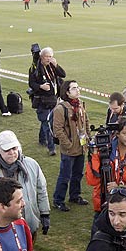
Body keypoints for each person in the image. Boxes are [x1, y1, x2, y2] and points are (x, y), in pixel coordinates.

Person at [0, 131, 50, 242]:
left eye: (14, 148)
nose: (12, 153)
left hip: (29, 224)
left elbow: (41, 189)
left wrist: (45, 213)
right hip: (2, 229)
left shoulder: (32, 165)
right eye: (7, 150)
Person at [87, 117, 126, 220]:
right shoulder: (104, 154)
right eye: (125, 133)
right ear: (118, 134)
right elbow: (92, 180)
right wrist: (95, 155)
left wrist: (119, 188)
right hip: (103, 203)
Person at [52, 80, 90, 212]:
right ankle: (58, 200)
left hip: (81, 147)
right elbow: (57, 129)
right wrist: (68, 144)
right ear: (67, 92)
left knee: (77, 174)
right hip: (69, 149)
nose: (78, 90)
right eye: (74, 88)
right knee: (65, 176)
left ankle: (75, 195)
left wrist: (88, 138)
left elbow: (85, 122)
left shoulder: (80, 104)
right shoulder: (60, 109)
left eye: (78, 87)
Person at [28, 47, 66, 156]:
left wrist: (56, 65)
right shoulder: (35, 68)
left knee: (47, 121)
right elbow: (31, 83)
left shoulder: (52, 66)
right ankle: (51, 147)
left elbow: (63, 75)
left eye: (50, 56)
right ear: (41, 57)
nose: (49, 59)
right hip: (42, 100)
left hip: (53, 100)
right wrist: (41, 86)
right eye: (47, 57)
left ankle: (42, 139)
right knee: (47, 123)